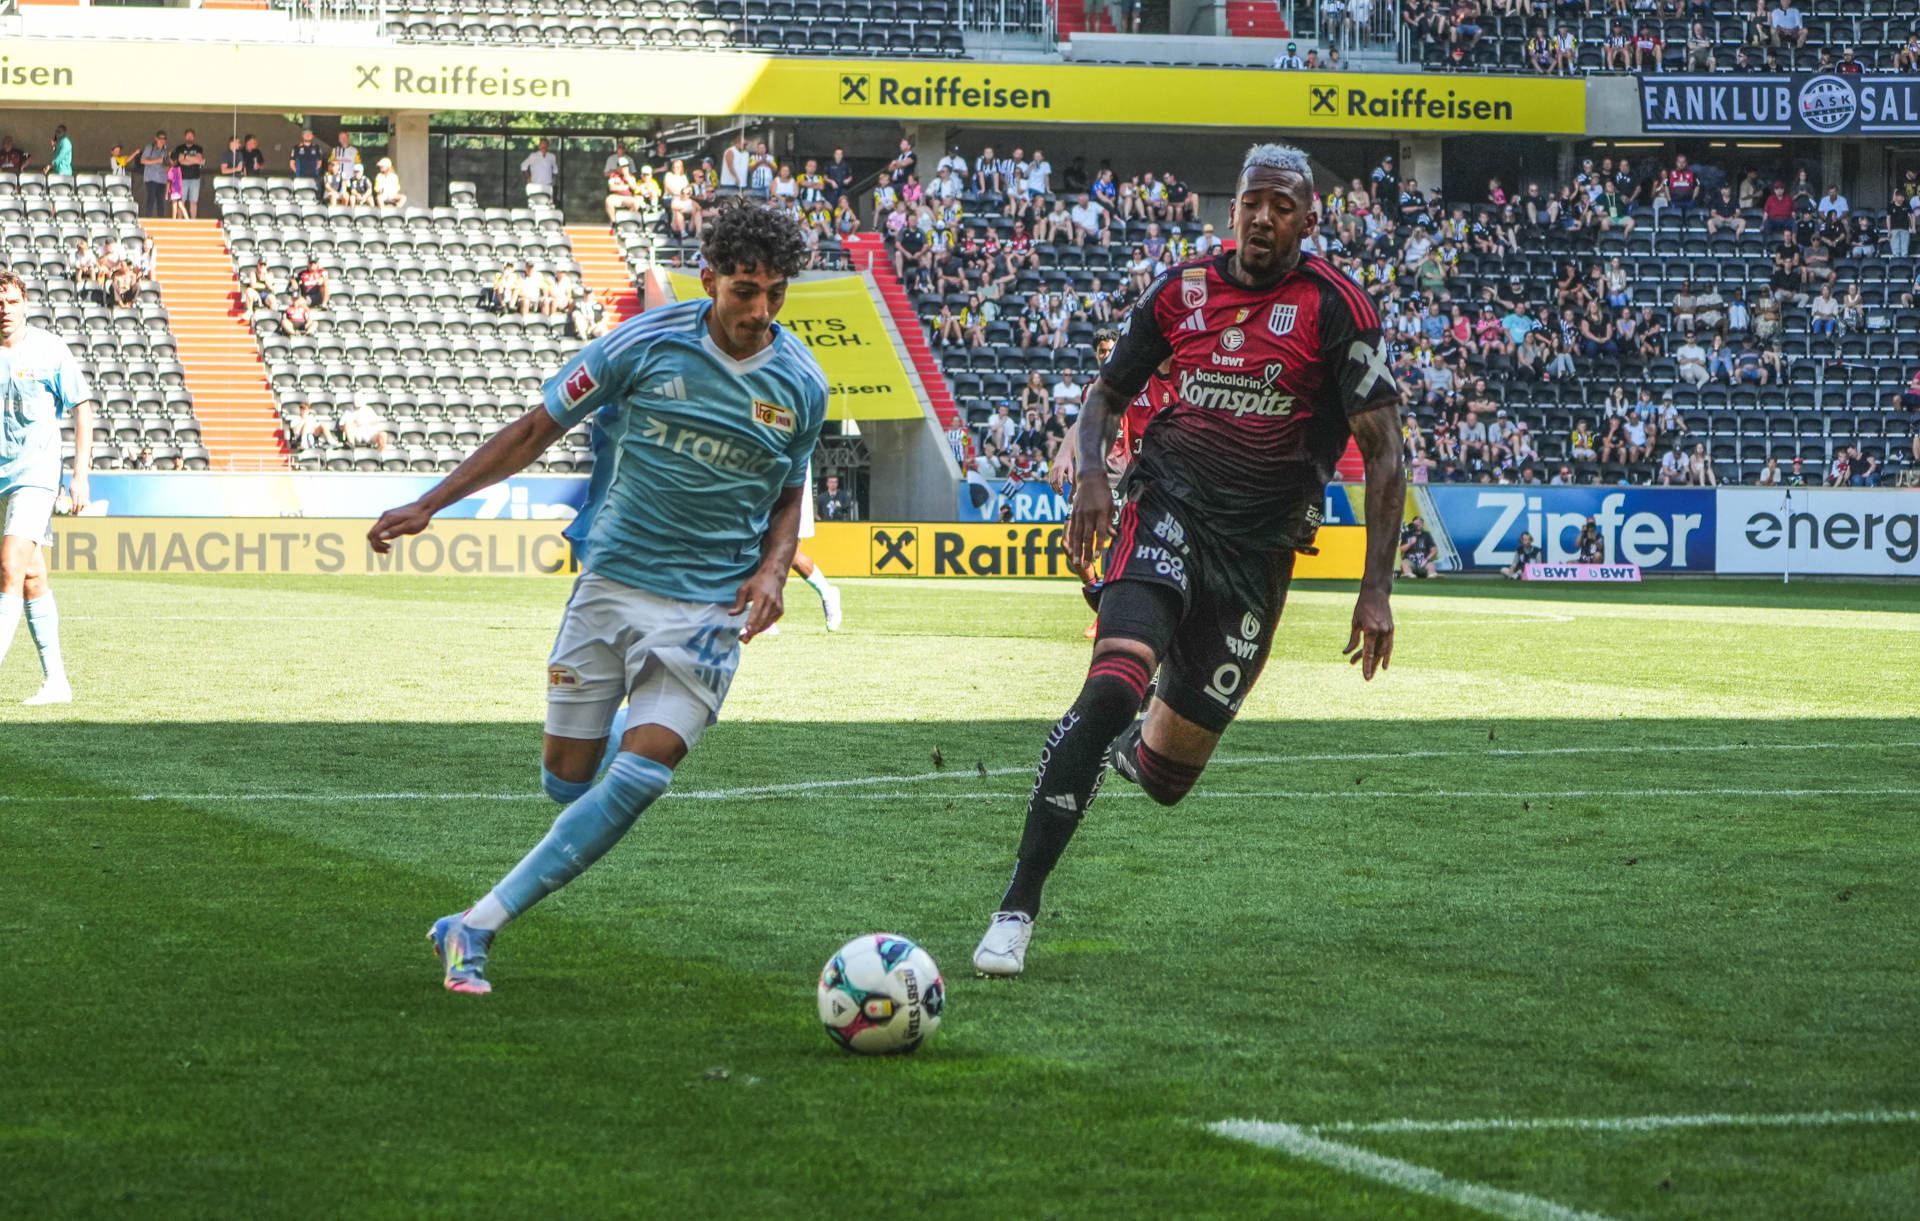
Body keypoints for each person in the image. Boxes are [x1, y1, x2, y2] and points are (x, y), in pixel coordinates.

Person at [369, 199, 825, 995]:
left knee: (642, 777)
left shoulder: (801, 384)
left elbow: (790, 490)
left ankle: (473, 925)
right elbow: (533, 429)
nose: (760, 311)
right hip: (612, 584)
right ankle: (621, 724)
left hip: (708, 611)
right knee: (566, 781)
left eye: (776, 293)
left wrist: (775, 568)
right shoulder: (638, 346)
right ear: (709, 279)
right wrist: (432, 503)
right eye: (745, 291)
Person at [972, 144, 1405, 978]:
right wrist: (1094, 473)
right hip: (1163, 508)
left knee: (1168, 778)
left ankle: (1133, 746)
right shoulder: (1181, 291)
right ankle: (1017, 906)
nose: (1262, 218)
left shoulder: (1337, 307)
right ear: (1232, 209)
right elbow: (1107, 394)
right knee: (1110, 685)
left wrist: (1375, 593)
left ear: (1308, 221)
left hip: (1257, 554)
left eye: (1281, 207)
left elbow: (1385, 453)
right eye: (1251, 203)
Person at [0, 270, 94, 705]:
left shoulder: (50, 349)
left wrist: (79, 474)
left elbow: (82, 407)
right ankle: (57, 681)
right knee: (33, 576)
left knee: (9, 567)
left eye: (12, 301)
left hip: (36, 475)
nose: (4, 309)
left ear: (26, 305)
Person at [172, 128, 206, 218]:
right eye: (188, 135)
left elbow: (199, 160)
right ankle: (179, 221)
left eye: (191, 135)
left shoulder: (198, 148)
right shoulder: (180, 148)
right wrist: (194, 160)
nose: (189, 137)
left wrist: (186, 156)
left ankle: (193, 222)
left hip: (195, 179)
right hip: (182, 179)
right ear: (185, 137)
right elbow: (180, 161)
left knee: (193, 202)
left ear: (194, 137)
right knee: (181, 202)